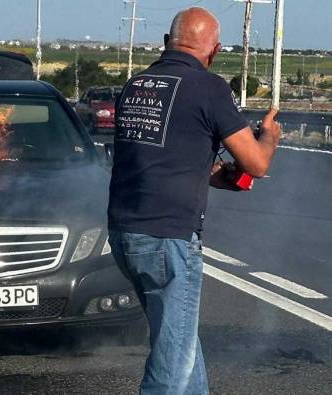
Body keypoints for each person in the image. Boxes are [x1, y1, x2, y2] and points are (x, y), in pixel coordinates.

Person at [107, 7, 281, 395]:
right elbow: (256, 162)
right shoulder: (209, 87)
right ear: (214, 51)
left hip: (124, 232)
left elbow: (167, 159)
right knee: (171, 365)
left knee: (179, 345)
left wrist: (220, 176)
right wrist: (268, 137)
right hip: (168, 237)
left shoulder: (136, 85)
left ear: (167, 42)